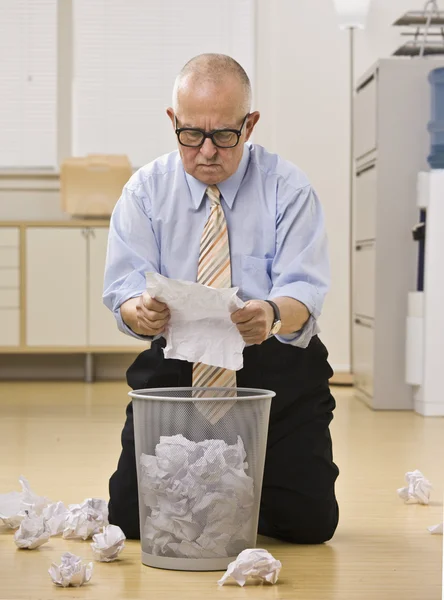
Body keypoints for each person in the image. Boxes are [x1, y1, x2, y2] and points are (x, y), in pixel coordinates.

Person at [103, 53, 339, 544]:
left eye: (224, 136)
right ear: (173, 122)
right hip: (179, 360)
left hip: (274, 361)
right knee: (128, 518)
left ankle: (249, 489)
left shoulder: (287, 188)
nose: (207, 151)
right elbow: (123, 287)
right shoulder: (146, 191)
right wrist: (139, 312)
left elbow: (304, 289)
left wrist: (272, 313)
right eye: (191, 134)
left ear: (249, 124)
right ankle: (220, 487)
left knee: (309, 525)